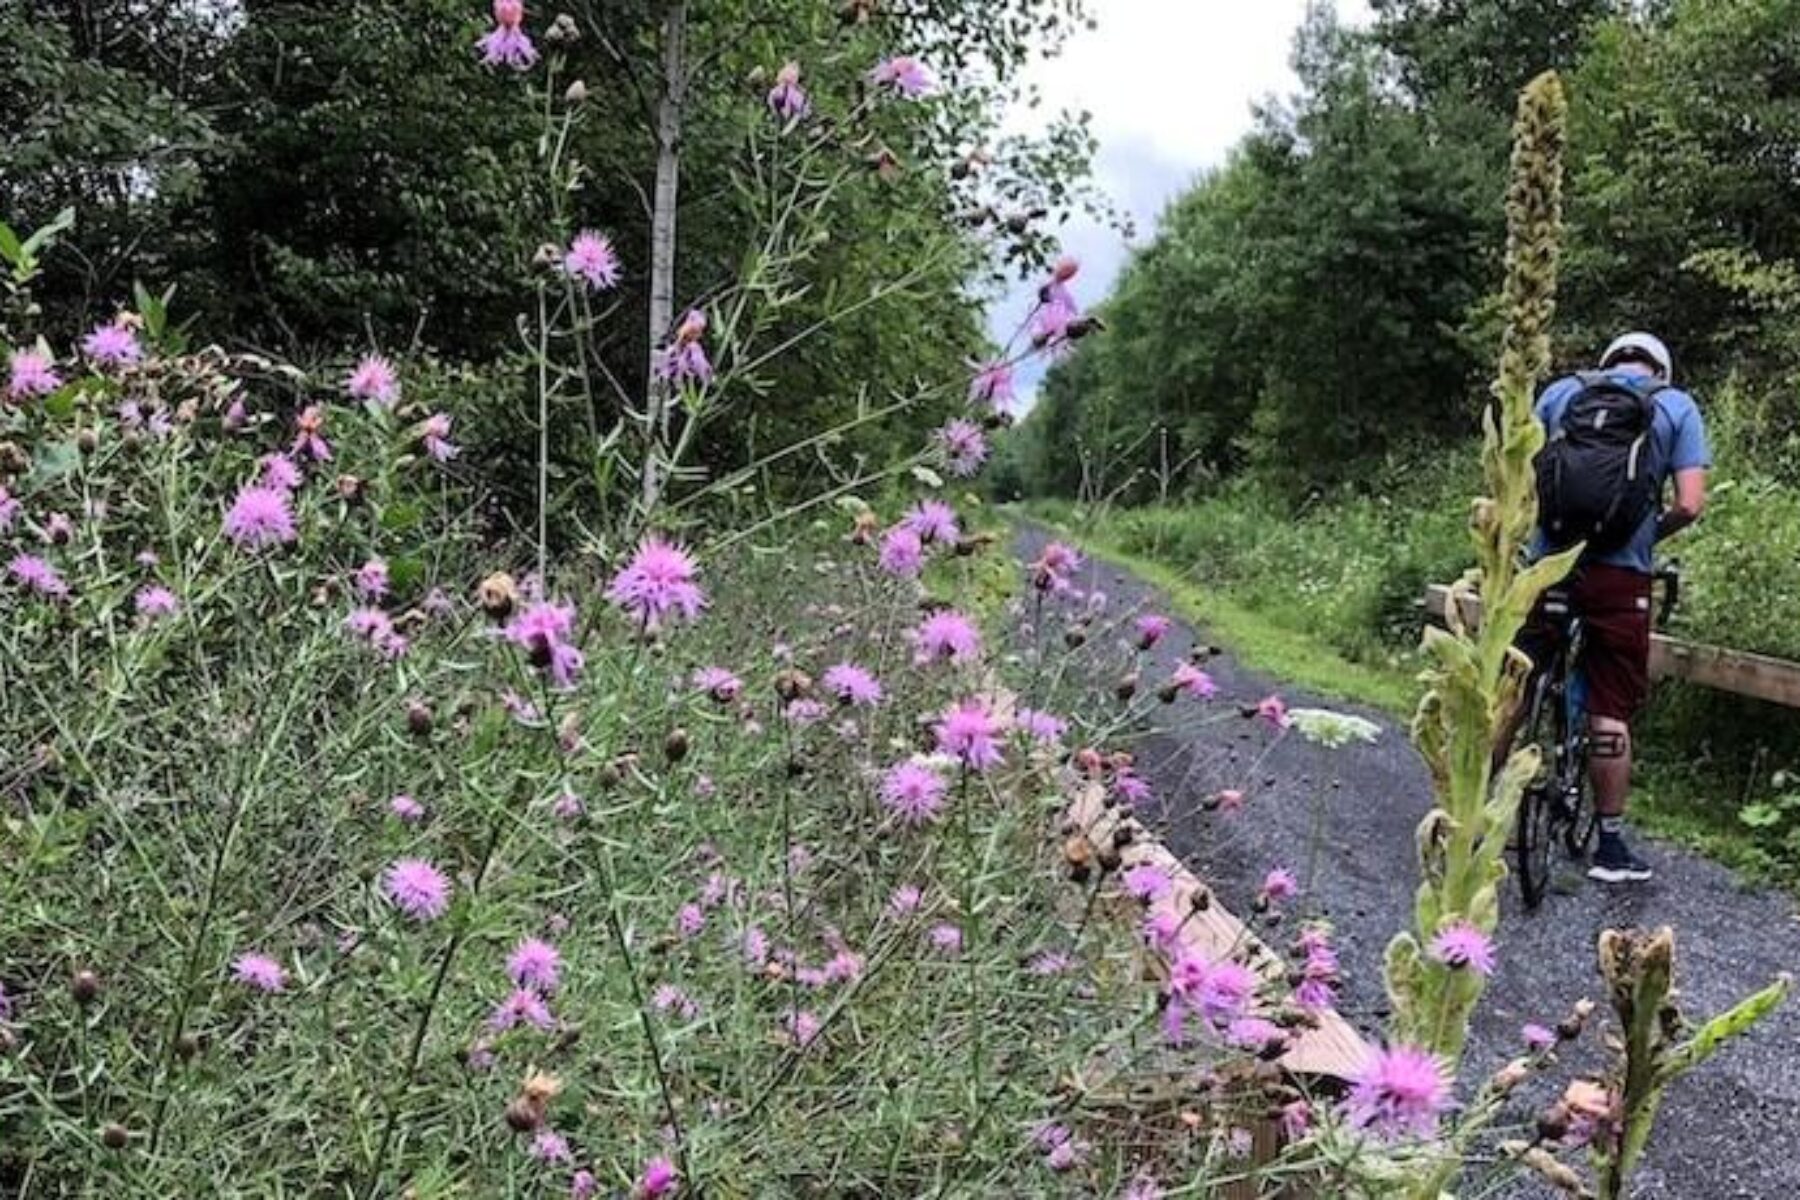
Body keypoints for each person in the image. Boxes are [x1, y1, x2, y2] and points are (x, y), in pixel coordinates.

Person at [1517, 331, 1709, 884]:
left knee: (1515, 680)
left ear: (1607, 364)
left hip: (1550, 566)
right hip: (1620, 576)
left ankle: (1480, 811)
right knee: (1610, 705)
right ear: (1660, 369)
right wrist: (1649, 533)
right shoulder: (1675, 405)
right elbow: (1690, 505)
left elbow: (1523, 481)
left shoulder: (1560, 394)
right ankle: (1611, 844)